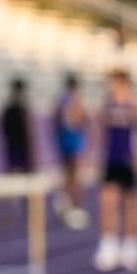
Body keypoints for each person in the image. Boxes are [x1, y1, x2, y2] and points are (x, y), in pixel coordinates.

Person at [92, 69, 137, 272]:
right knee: (106, 202)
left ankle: (131, 247)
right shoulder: (105, 104)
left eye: (111, 82)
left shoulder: (136, 104)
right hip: (110, 159)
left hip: (128, 161)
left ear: (121, 82)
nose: (109, 86)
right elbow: (97, 128)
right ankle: (108, 246)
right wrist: (95, 151)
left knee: (131, 204)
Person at [52, 73, 90, 230]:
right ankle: (74, 208)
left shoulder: (59, 98)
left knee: (65, 174)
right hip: (74, 140)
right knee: (76, 176)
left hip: (62, 139)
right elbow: (80, 117)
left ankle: (62, 200)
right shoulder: (76, 97)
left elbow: (53, 118)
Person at [0, 78, 33, 174]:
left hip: (15, 144)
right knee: (15, 171)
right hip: (15, 144)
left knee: (17, 171)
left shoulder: (11, 108)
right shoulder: (19, 109)